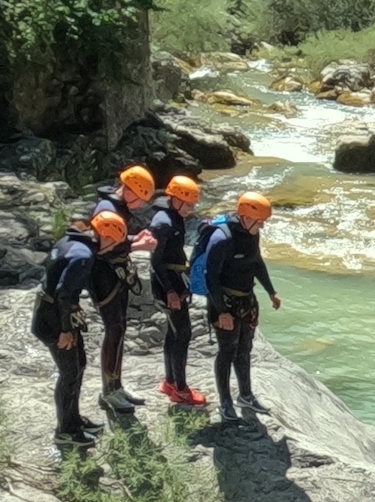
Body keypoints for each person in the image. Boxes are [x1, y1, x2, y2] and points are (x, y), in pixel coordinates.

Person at [32, 210, 126, 449]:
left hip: (53, 312)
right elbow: (65, 293)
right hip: (54, 319)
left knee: (79, 364)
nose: (111, 249)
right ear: (105, 237)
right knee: (69, 373)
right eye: (113, 243)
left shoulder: (71, 241)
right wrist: (65, 330)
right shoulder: (83, 255)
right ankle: (65, 431)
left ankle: (73, 419)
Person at [79, 164, 159, 415]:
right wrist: (138, 245)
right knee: (114, 329)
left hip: (113, 273)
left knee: (119, 328)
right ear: (130, 191)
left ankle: (116, 385)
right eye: (141, 200)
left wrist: (135, 239)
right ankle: (109, 391)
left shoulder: (117, 207)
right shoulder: (107, 208)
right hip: (102, 276)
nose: (141, 206)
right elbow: (106, 244)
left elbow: (118, 237)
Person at [203, 192, 279, 423]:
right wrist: (222, 311)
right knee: (227, 351)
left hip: (247, 299)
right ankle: (225, 401)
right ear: (245, 217)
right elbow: (210, 278)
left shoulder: (251, 234)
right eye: (260, 221)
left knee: (244, 348)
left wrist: (271, 291)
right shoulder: (222, 239)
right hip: (224, 303)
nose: (263, 226)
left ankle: (246, 395)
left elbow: (257, 263)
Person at [147, 175, 207, 408]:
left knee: (174, 332)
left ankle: (170, 381)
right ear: (176, 199)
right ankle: (180, 390)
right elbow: (156, 261)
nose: (192, 209)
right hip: (167, 285)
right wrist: (170, 291)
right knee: (182, 333)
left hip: (175, 280)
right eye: (189, 204)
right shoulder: (163, 224)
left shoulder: (174, 216)